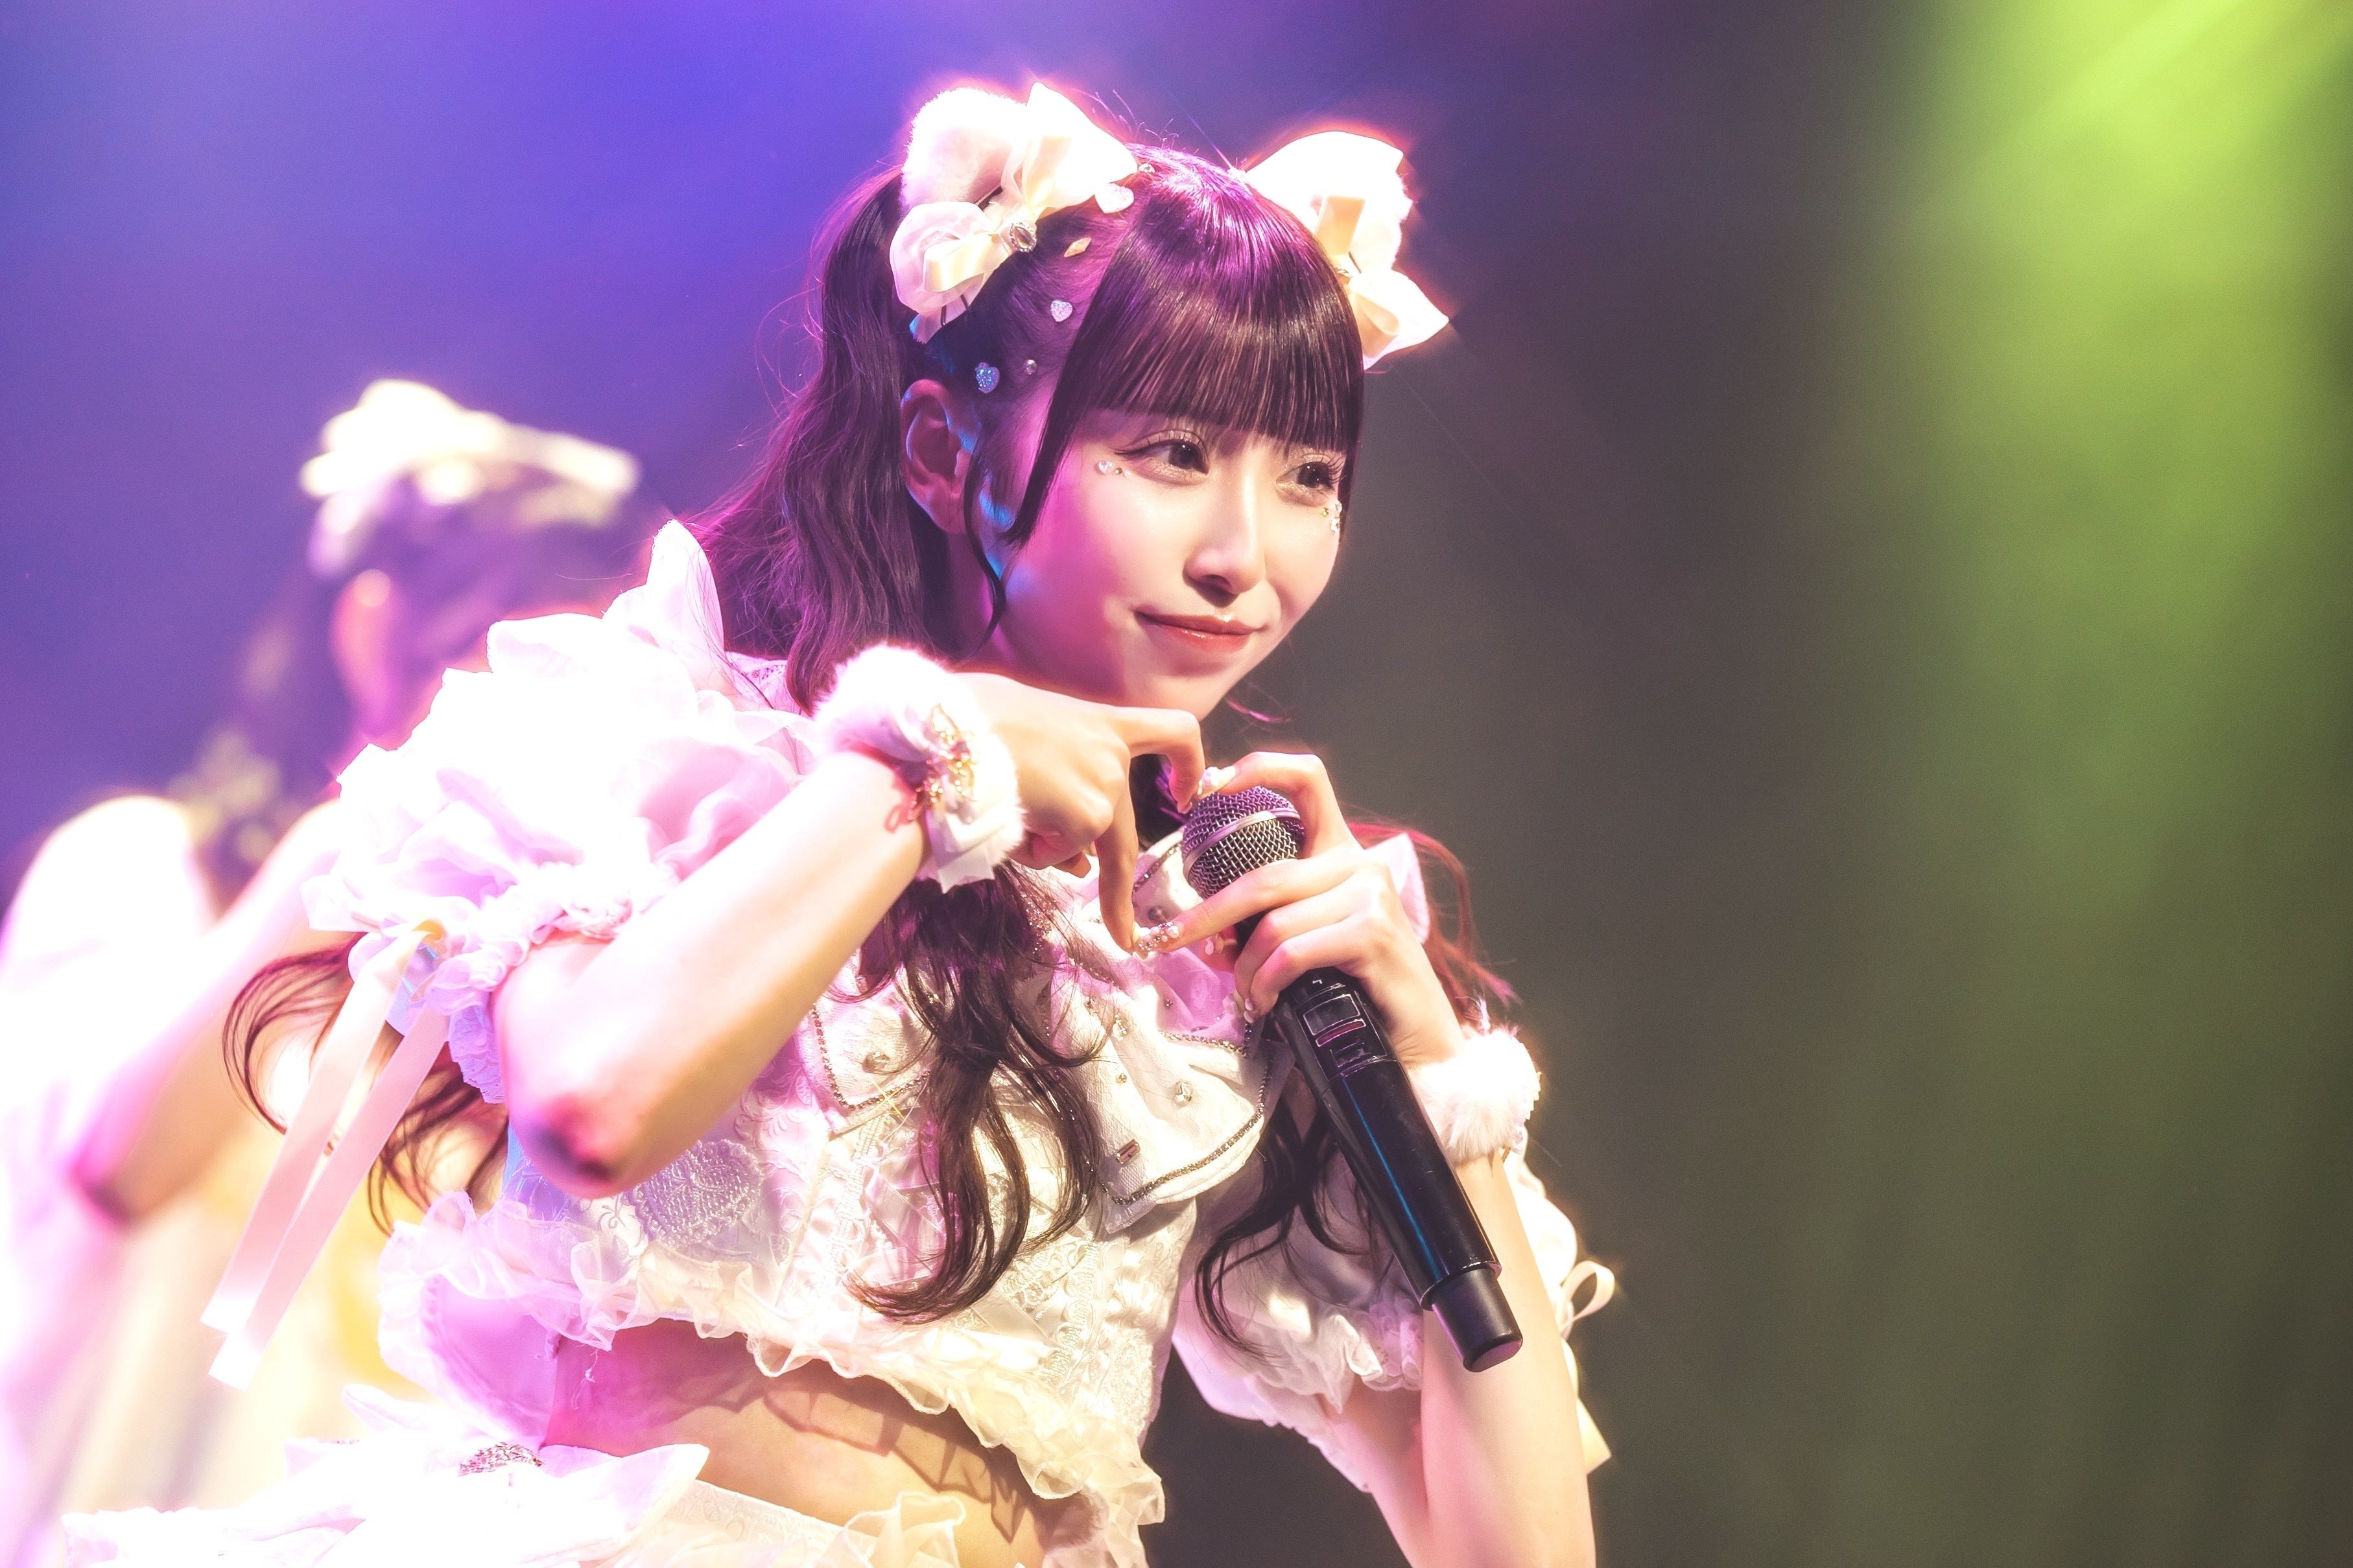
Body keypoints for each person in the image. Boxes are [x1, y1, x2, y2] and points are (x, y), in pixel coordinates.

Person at [65, 84, 1613, 1568]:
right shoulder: (688, 747)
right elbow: (592, 1103)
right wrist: (925, 772)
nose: (1242, 555)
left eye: (1310, 478)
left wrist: (1436, 1083)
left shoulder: (1210, 946)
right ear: (944, 454)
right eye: (1172, 455)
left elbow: (1521, 1553)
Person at [0, 380, 657, 1565]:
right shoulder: (143, 867)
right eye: (519, 663)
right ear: (373, 632)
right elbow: (111, 1168)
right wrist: (354, 844)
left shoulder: (525, 994)